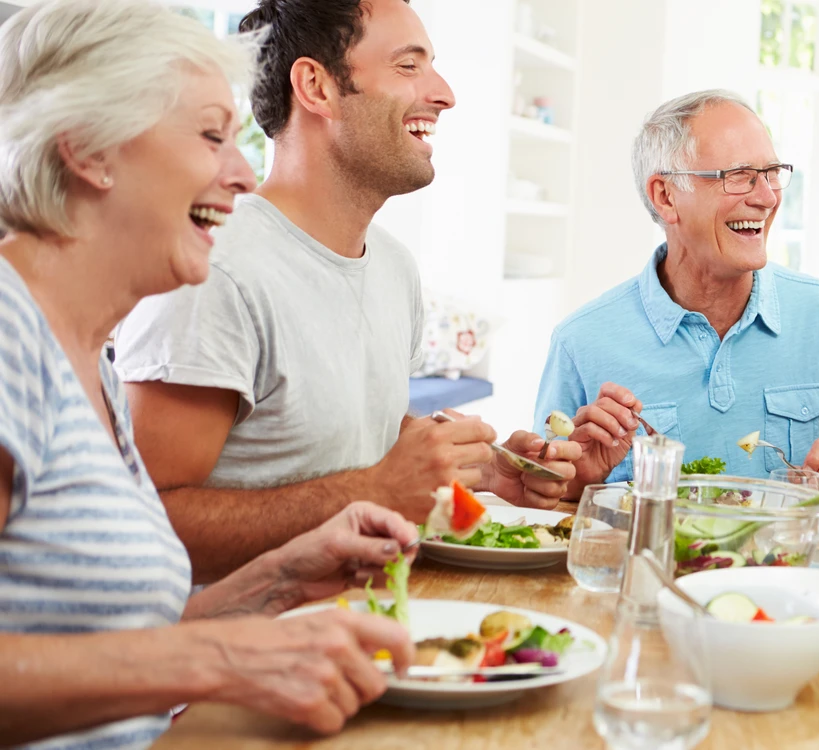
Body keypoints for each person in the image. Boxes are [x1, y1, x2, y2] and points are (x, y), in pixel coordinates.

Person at [0, 2, 418, 747]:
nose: (243, 176)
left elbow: (117, 647)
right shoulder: (9, 336)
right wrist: (223, 659)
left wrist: (277, 582)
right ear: (89, 151)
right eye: (209, 136)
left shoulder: (87, 361)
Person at [113, 0, 581, 583]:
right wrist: (373, 490)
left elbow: (351, 435)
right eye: (408, 66)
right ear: (317, 87)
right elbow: (143, 523)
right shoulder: (215, 271)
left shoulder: (394, 267)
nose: (444, 94)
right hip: (246, 633)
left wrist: (482, 472)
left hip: (370, 615)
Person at [535, 90, 819, 495]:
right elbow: (546, 493)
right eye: (738, 175)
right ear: (666, 196)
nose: (767, 197)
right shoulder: (581, 341)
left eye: (771, 172)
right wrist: (577, 481)